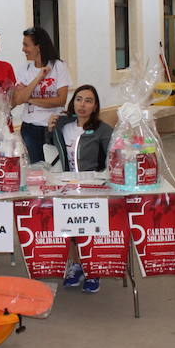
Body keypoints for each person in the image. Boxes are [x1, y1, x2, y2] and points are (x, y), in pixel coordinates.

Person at [46, 85, 113, 293]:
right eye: (79, 99)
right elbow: (49, 149)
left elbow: (111, 158)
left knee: (91, 227)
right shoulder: (62, 125)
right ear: (72, 102)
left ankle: (93, 269)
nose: (82, 105)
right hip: (66, 185)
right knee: (71, 228)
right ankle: (76, 265)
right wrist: (49, 130)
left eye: (88, 101)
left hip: (93, 187)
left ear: (95, 106)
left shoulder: (103, 130)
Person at [13, 27, 70, 164]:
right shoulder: (24, 70)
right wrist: (38, 78)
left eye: (26, 45)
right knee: (35, 170)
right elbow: (18, 99)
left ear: (38, 47)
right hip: (29, 128)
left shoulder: (58, 66)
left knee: (56, 167)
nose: (23, 49)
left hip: (52, 127)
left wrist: (30, 98)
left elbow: (61, 100)